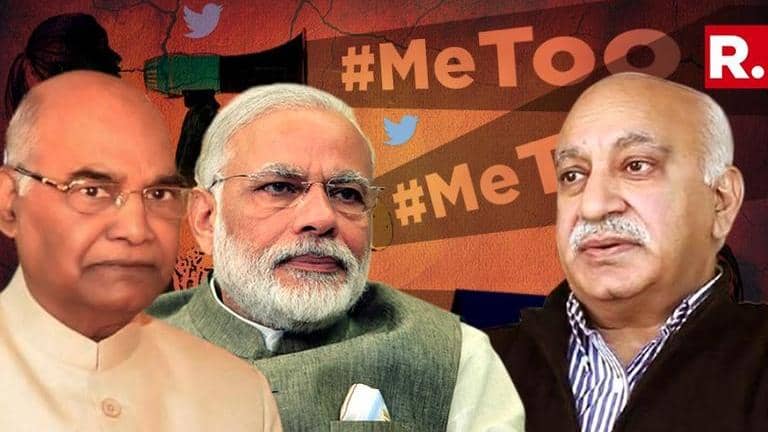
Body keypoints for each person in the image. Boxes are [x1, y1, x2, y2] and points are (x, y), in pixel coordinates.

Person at [148, 83, 524, 431]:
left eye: (346, 194)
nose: (322, 218)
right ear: (206, 218)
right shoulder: (123, 350)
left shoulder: (454, 357)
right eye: (279, 187)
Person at [0, 71, 281, 431]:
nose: (136, 230)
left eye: (158, 194)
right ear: (10, 203)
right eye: (91, 191)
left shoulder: (240, 394)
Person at [488, 72, 768, 431]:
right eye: (573, 175)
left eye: (636, 166)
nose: (593, 206)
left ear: (721, 200)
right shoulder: (472, 369)